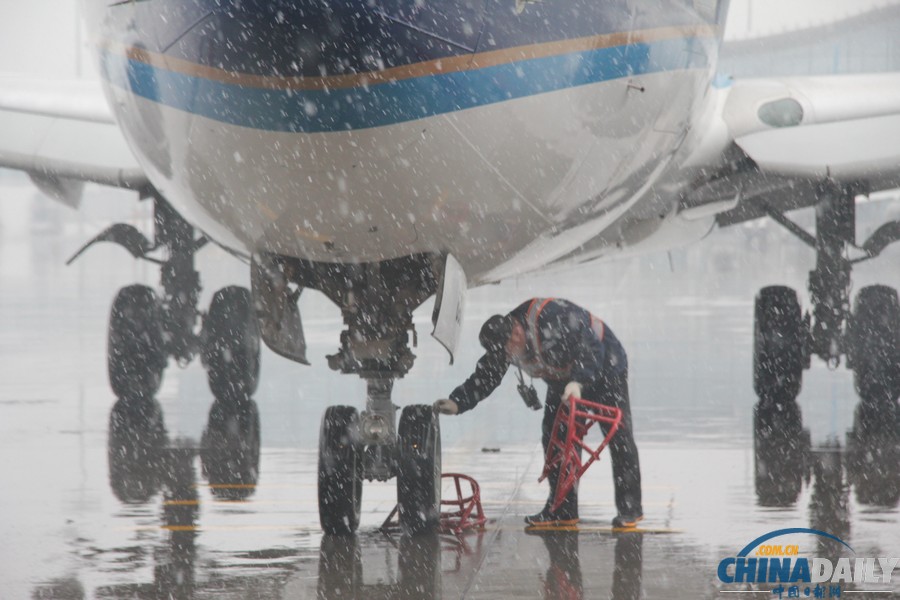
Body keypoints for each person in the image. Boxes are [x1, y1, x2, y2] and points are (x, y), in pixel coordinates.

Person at [434, 297, 642, 528]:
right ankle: (562, 510)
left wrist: (579, 383)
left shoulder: (553, 320)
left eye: (508, 352)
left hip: (605, 369)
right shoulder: (503, 344)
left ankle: (630, 509)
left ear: (516, 334)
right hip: (562, 379)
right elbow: (486, 376)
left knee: (619, 436)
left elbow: (592, 349)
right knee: (556, 438)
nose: (508, 359)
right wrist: (458, 402)